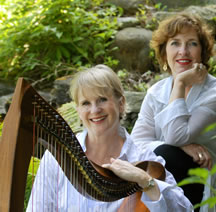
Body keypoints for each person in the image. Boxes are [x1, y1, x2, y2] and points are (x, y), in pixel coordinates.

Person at [131, 12, 216, 211]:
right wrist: (184, 146)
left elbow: (175, 135)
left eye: (192, 43)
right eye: (175, 43)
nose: (183, 51)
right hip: (173, 179)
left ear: (202, 52)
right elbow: (136, 144)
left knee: (166, 153)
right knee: (161, 156)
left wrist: (180, 82)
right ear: (164, 52)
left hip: (213, 184)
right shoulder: (155, 92)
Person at [26, 64, 193, 212]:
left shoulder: (144, 158)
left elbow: (185, 209)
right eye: (85, 103)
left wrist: (145, 181)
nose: (95, 110)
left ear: (121, 104)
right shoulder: (57, 157)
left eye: (102, 100)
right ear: (78, 110)